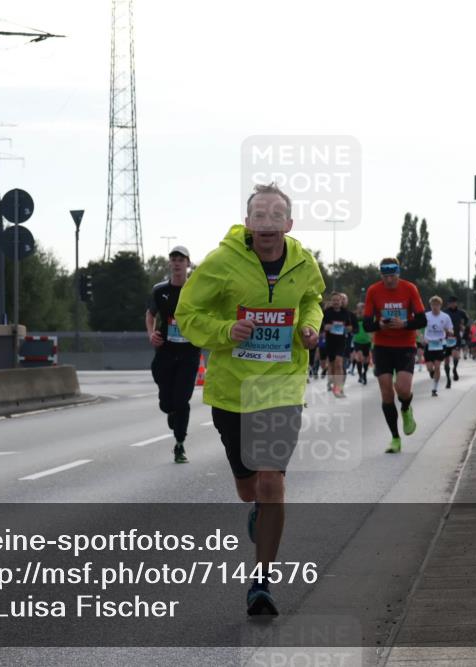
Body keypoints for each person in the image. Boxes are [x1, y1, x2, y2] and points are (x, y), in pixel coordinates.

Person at [175, 183, 323, 616]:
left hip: (282, 385)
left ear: (288, 225)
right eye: (259, 215)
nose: (267, 223)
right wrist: (225, 332)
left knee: (272, 481)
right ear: (248, 222)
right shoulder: (222, 263)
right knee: (248, 489)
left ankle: (261, 581)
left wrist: (309, 326)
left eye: (276, 216)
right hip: (232, 390)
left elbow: (312, 298)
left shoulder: (303, 262)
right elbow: (187, 313)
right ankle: (257, 506)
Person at [362, 258, 426, 453]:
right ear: (381, 275)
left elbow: (422, 319)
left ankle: (406, 408)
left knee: (403, 389)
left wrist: (405, 324)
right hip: (382, 346)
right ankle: (395, 438)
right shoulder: (373, 290)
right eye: (385, 276)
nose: (389, 280)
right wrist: (379, 325)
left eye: (392, 275)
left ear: (398, 273)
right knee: (387, 393)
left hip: (405, 344)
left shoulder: (410, 289)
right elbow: (366, 324)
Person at [145, 246, 202, 464]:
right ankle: (170, 412)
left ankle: (179, 444)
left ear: (188, 263)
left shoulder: (197, 291)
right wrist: (151, 334)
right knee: (167, 404)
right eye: (173, 259)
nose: (177, 263)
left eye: (181, 259)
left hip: (188, 353)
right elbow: (150, 315)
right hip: (165, 352)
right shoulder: (160, 290)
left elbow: (209, 314)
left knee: (182, 401)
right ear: (170, 263)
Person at [321, 292, 355, 398]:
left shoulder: (346, 313)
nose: (336, 302)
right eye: (334, 300)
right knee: (332, 365)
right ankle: (331, 381)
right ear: (331, 302)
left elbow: (350, 327)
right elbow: (321, 325)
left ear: (341, 302)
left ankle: (338, 389)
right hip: (330, 341)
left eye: (338, 300)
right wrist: (326, 327)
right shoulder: (327, 312)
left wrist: (345, 328)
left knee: (339, 364)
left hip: (341, 342)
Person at [423, 296, 454, 396]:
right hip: (429, 344)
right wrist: (422, 338)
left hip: (440, 344)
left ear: (440, 305)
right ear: (430, 305)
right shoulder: (426, 316)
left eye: (437, 305)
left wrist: (449, 331)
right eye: (433, 305)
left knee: (437, 366)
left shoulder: (445, 317)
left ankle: (434, 389)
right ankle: (431, 372)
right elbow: (419, 328)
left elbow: (451, 330)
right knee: (429, 368)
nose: (435, 307)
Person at [443, 296, 469, 389]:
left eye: (453, 302)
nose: (452, 304)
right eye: (450, 302)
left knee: (456, 355)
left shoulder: (461, 312)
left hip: (456, 337)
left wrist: (463, 325)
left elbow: (467, 319)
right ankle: (448, 380)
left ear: (456, 303)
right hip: (445, 338)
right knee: (446, 360)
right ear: (448, 304)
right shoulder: (444, 312)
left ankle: (454, 369)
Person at [350, 302, 372, 385]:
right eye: (359, 308)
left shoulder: (368, 317)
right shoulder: (354, 317)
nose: (360, 310)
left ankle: (364, 373)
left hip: (367, 341)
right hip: (357, 340)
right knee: (359, 357)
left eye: (362, 308)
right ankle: (360, 376)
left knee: (366, 359)